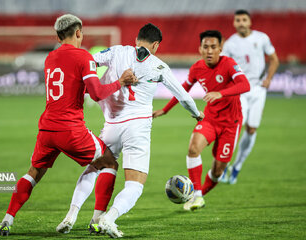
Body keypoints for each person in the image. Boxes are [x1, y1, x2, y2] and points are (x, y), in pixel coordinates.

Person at [56, 23, 204, 238]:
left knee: (94, 169)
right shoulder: (160, 67)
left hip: (111, 126)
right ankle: (108, 218)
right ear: (155, 45)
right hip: (138, 129)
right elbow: (183, 96)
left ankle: (71, 215)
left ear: (136, 39)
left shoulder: (117, 51)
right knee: (135, 185)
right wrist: (196, 114)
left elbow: (87, 61)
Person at [0, 14, 137, 236]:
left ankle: (7, 219)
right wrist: (121, 82)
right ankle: (97, 220)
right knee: (109, 162)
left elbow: (77, 86)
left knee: (33, 173)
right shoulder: (83, 57)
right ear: (78, 32)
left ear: (58, 35)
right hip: (70, 129)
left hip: (46, 130)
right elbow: (97, 93)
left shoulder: (50, 58)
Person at [153, 30, 250, 211]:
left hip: (231, 124)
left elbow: (245, 85)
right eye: (206, 47)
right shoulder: (197, 68)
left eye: (214, 47)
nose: (210, 51)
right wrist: (165, 110)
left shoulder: (229, 64)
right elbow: (183, 90)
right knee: (193, 148)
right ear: (200, 49)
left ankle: (200, 195)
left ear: (220, 48)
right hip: (210, 119)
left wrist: (221, 93)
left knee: (218, 171)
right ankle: (196, 195)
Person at [220, 9, 279, 184]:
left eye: (244, 19)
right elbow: (224, 67)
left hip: (258, 90)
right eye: (238, 20)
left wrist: (268, 78)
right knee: (235, 128)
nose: (241, 23)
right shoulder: (230, 44)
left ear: (249, 22)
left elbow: (274, 59)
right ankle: (223, 167)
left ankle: (237, 166)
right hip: (240, 92)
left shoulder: (262, 38)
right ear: (234, 23)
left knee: (251, 129)